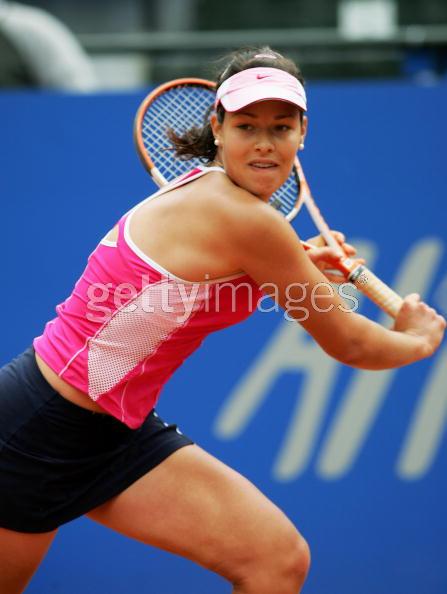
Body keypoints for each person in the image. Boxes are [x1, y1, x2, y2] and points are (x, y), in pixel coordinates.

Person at [0, 46, 445, 594]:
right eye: (246, 125)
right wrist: (418, 339)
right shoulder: (244, 220)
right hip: (34, 429)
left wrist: (296, 264)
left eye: (281, 127)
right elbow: (352, 343)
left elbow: (192, 285)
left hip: (113, 431)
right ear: (217, 127)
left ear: (303, 132)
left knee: (276, 560)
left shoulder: (216, 198)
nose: (264, 142)